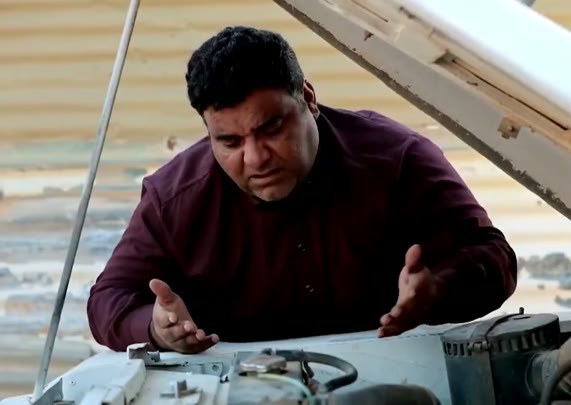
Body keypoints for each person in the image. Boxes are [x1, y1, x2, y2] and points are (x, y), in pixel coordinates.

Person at [87, 26, 518, 354]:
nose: (255, 158)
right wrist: (155, 328)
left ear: (308, 98)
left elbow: (494, 256)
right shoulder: (175, 197)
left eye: (271, 129)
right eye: (230, 142)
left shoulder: (397, 159)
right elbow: (107, 299)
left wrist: (439, 289)